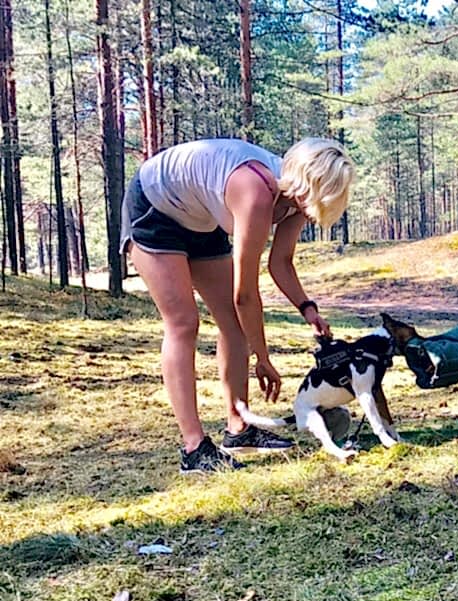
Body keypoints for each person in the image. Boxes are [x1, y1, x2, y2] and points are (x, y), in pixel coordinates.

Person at [121, 137, 354, 473]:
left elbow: (281, 263)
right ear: (307, 184)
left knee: (232, 323)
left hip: (200, 216)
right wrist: (263, 358)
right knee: (183, 322)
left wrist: (308, 308)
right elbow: (244, 294)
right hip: (155, 206)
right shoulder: (255, 192)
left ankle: (238, 428)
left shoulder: (297, 200)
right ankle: (194, 449)